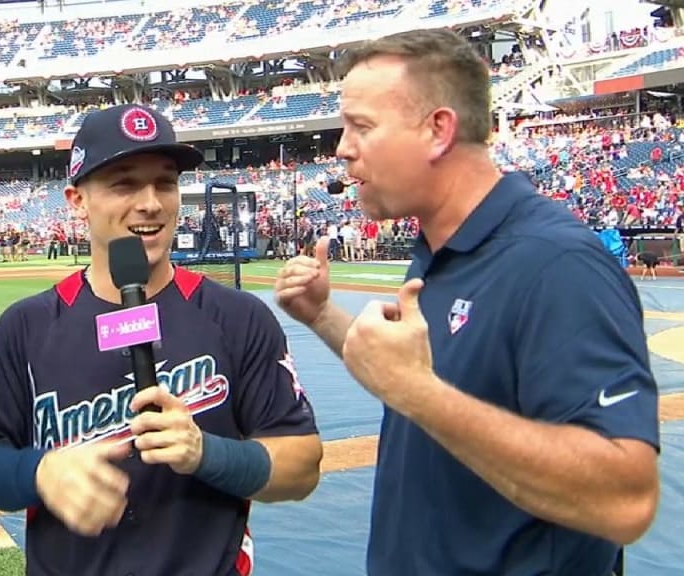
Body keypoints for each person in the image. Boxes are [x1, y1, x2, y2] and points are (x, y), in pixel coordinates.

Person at [274, 28, 659, 576]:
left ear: (438, 131)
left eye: (361, 126)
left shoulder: (556, 264)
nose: (342, 147)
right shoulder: (441, 246)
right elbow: (430, 376)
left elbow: (626, 501)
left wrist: (420, 394)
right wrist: (322, 315)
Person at [0, 103, 323, 576]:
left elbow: (301, 465)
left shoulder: (238, 318)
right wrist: (40, 472)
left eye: (165, 182)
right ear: (77, 200)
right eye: (124, 183)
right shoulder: (27, 325)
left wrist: (207, 452)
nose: (150, 202)